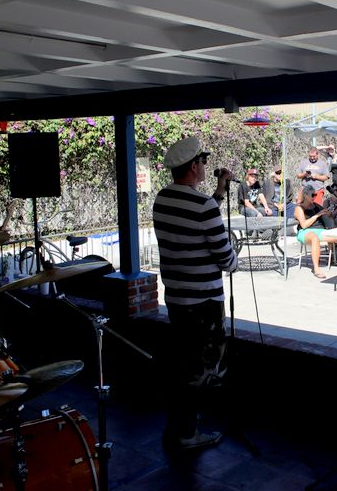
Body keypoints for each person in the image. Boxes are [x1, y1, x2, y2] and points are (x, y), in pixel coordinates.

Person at [152, 136, 236, 450]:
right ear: (192, 167)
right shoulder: (202, 207)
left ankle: (177, 426)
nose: (204, 166)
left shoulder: (163, 199)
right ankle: (187, 434)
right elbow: (226, 259)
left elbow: (197, 217)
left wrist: (219, 192)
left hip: (177, 299)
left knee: (183, 362)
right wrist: (234, 259)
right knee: (201, 370)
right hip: (204, 303)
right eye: (202, 161)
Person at [294, 185, 337, 279]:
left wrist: (328, 213)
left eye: (315, 195)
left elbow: (327, 214)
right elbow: (304, 225)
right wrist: (316, 215)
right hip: (305, 231)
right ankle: (316, 268)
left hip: (320, 230)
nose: (314, 197)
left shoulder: (316, 206)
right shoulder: (299, 208)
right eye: (312, 195)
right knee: (314, 238)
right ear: (306, 195)